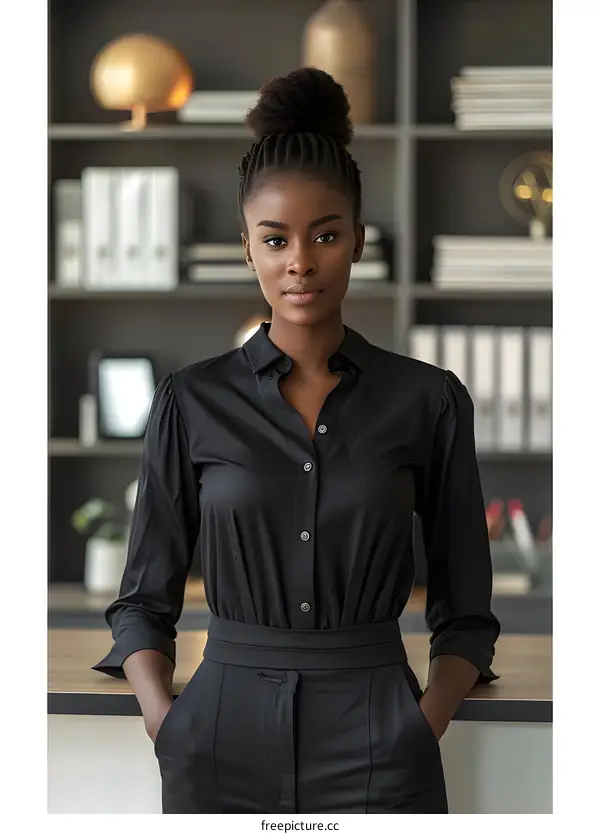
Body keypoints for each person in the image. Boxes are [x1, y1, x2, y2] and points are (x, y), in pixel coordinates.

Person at [92, 67, 501, 814]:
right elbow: (143, 600)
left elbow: (466, 609)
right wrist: (166, 721)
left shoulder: (429, 399)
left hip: (384, 734)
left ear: (358, 241)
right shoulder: (191, 400)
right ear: (247, 248)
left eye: (325, 235)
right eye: (275, 239)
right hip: (218, 735)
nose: (301, 262)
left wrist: (424, 723)